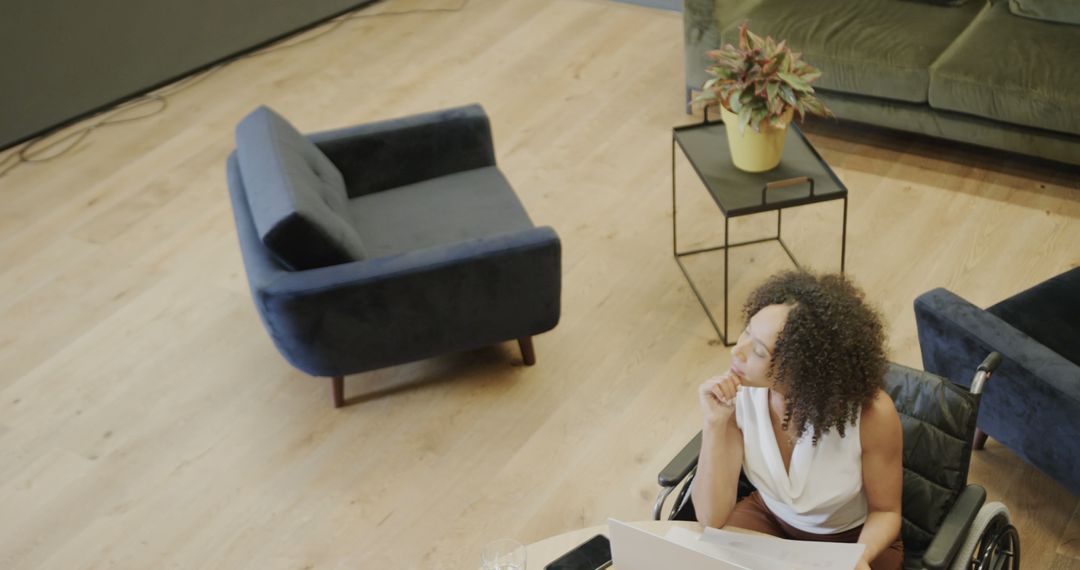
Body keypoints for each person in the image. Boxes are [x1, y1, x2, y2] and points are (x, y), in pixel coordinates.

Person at [691, 271, 903, 570]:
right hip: (770, 519)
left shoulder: (872, 415)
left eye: (759, 350)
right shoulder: (738, 395)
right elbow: (710, 519)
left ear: (805, 370)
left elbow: (886, 512)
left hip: (851, 539)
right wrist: (713, 425)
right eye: (747, 332)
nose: (737, 351)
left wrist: (859, 558)